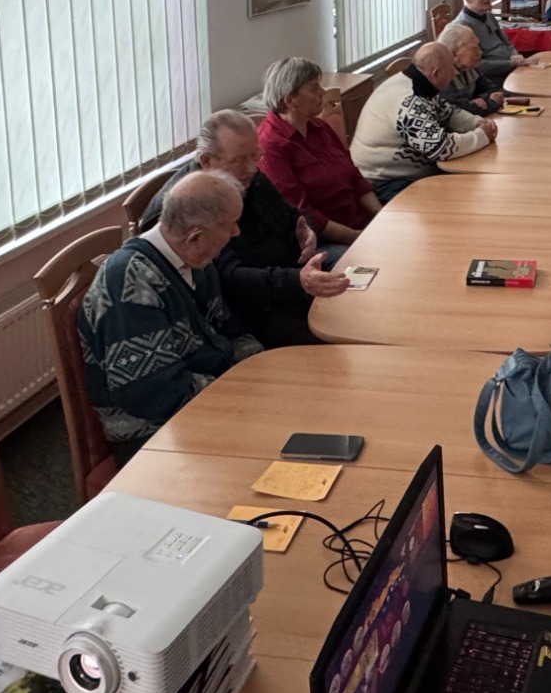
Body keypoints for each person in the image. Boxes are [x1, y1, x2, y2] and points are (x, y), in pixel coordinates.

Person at [78, 170, 263, 452]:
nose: (236, 232)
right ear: (195, 237)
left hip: (208, 398)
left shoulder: (195, 259)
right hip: (155, 432)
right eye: (230, 225)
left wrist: (258, 370)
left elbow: (228, 326)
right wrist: (239, 393)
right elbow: (150, 392)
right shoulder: (130, 282)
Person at [139, 109, 352, 347]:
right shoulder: (192, 206)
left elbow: (293, 214)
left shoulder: (247, 176)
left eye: (255, 156)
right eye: (239, 160)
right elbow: (230, 278)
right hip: (257, 306)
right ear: (207, 161)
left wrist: (307, 231)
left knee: (358, 298)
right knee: (336, 344)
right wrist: (298, 280)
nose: (252, 167)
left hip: (293, 278)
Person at [350, 42, 496, 202]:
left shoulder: (421, 85)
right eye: (450, 70)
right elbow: (440, 148)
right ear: (436, 73)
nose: (453, 74)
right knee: (460, 198)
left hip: (408, 173)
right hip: (385, 181)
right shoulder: (409, 100)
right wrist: (482, 135)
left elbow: (448, 112)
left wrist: (476, 122)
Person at [258, 56, 381, 235]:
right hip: (324, 237)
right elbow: (302, 212)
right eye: (314, 88)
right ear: (290, 100)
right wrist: (356, 237)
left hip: (357, 219)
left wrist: (380, 215)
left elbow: (354, 178)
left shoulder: (319, 126)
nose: (322, 93)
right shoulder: (270, 145)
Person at [450, 0, 525, 81]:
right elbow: (476, 65)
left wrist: (515, 55)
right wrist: (510, 64)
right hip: (493, 78)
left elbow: (506, 42)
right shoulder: (462, 26)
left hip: (512, 68)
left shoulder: (488, 15)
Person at [438, 22, 507, 115]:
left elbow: (492, 90)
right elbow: (460, 110)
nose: (480, 52)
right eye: (474, 48)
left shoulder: (467, 67)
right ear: (454, 54)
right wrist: (492, 103)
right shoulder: (441, 74)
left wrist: (477, 100)